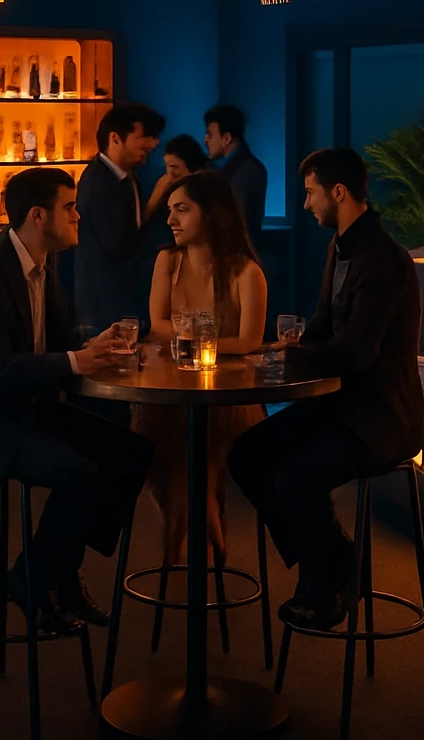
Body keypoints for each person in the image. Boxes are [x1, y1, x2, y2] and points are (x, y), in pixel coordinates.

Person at [0, 167, 152, 629]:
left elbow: (55, 344)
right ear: (38, 215)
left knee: (131, 452)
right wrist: (75, 361)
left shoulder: (43, 263)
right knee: (82, 476)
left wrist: (92, 346)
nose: (79, 215)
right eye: (69, 207)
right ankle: (34, 577)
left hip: (32, 409)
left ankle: (56, 571)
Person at [228, 148, 424, 630]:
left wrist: (288, 357)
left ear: (338, 193)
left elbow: (356, 352)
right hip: (344, 406)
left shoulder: (382, 260)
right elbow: (320, 327)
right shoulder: (340, 247)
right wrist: (276, 353)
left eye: (311, 193)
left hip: (380, 418)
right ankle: (336, 561)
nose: (305, 205)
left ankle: (325, 579)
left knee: (294, 479)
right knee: (247, 456)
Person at [140, 172, 267, 565]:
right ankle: (198, 528)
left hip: (227, 395)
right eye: (170, 211)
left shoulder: (247, 272)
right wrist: (200, 340)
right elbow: (154, 324)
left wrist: (189, 340)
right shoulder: (167, 261)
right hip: (169, 389)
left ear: (212, 214)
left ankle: (193, 534)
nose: (171, 220)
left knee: (204, 458)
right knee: (168, 461)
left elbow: (250, 341)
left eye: (182, 210)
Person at [73, 101, 168, 332]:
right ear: (115, 138)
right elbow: (118, 246)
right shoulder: (98, 182)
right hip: (105, 308)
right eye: (145, 136)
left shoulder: (128, 176)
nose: (153, 144)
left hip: (123, 302)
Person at [205, 104, 268, 240]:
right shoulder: (222, 168)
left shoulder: (248, 170)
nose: (206, 140)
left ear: (226, 138)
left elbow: (238, 221)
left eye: (210, 134)